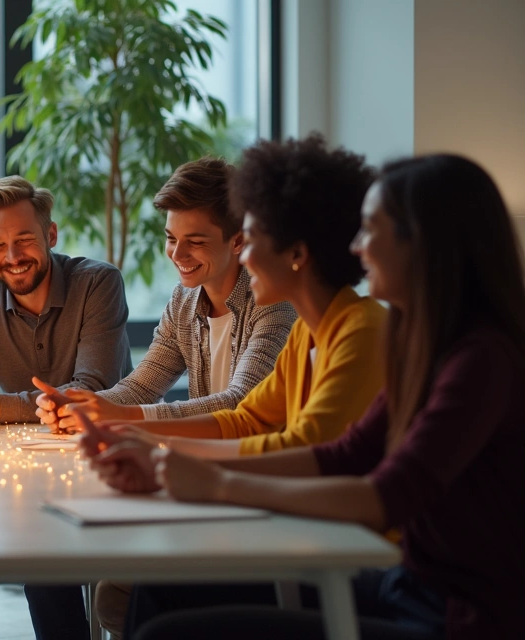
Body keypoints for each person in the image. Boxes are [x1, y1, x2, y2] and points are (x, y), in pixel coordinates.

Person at [82, 153, 525, 639]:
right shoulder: (416, 344)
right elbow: (337, 449)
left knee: (165, 629)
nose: (357, 247)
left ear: (422, 243)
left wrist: (208, 479)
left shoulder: (479, 360)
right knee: (158, 592)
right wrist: (156, 451)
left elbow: (382, 493)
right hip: (402, 585)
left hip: (450, 613)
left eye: (371, 230)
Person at [49, 135, 386, 637]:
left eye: (250, 240)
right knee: (143, 590)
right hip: (302, 525)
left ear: (296, 252)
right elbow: (246, 419)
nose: (245, 258)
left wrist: (173, 460)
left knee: (153, 602)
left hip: (348, 553)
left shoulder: (357, 328)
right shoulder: (314, 333)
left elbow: (308, 446)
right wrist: (130, 430)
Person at [0, 175, 132, 640]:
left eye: (24, 240)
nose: (12, 256)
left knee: (57, 568)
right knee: (40, 565)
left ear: (51, 236)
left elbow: (87, 393)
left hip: (104, 462)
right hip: (21, 474)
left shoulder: (97, 283)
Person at [33, 158, 294, 430]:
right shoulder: (184, 301)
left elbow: (241, 403)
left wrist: (124, 415)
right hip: (207, 462)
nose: (177, 254)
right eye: (171, 238)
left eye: (195, 241)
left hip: (263, 465)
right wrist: (78, 405)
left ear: (238, 240)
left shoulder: (273, 301)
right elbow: (140, 388)